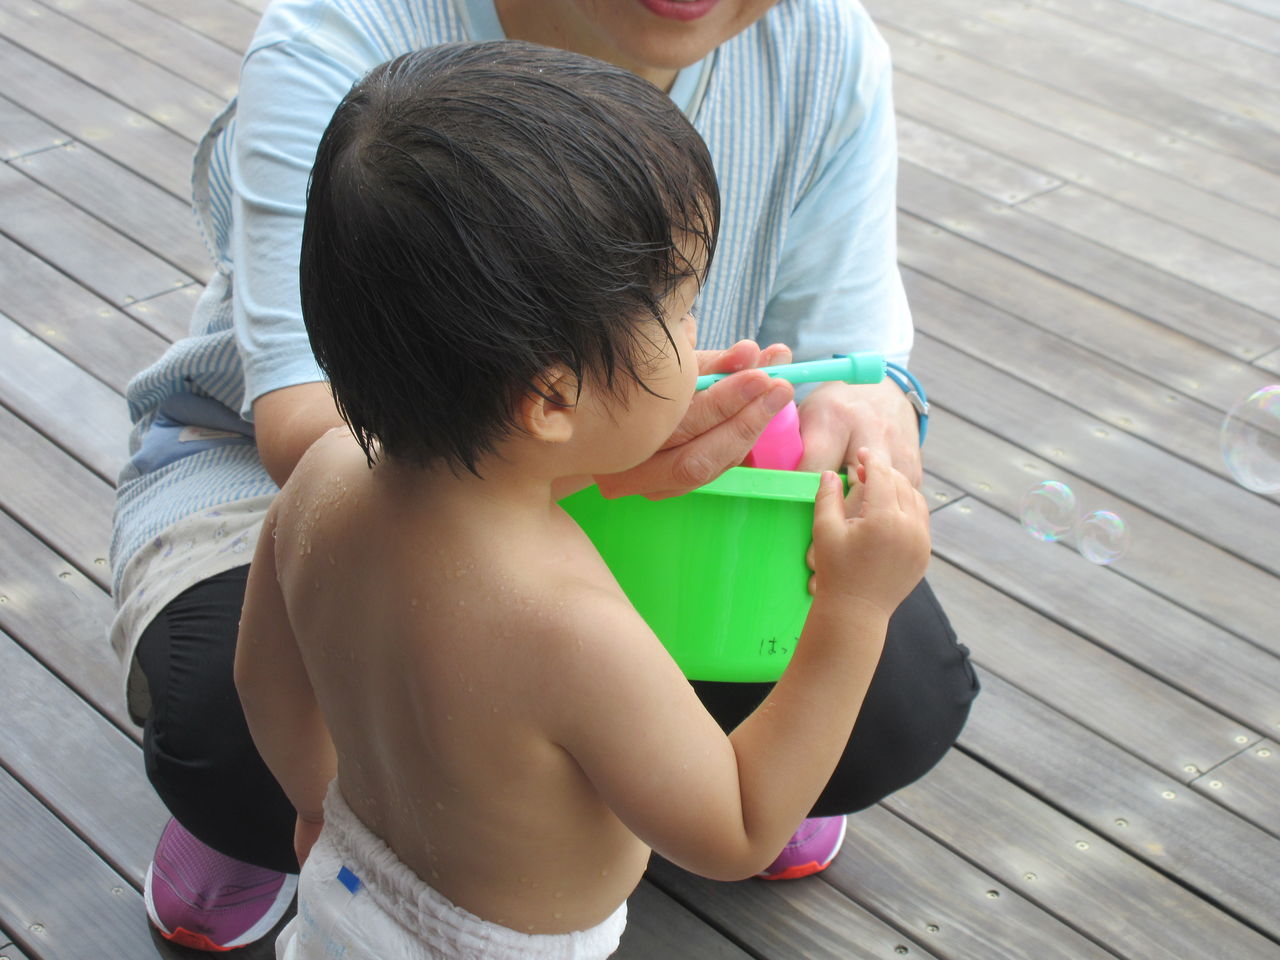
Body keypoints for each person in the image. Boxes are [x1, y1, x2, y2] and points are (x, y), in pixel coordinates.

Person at [110, 0, 979, 951]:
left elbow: (267, 677)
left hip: (349, 893)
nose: (700, 339)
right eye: (683, 308)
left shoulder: (325, 478)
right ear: (552, 399)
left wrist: (319, 815)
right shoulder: (575, 624)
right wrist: (853, 609)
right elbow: (734, 829)